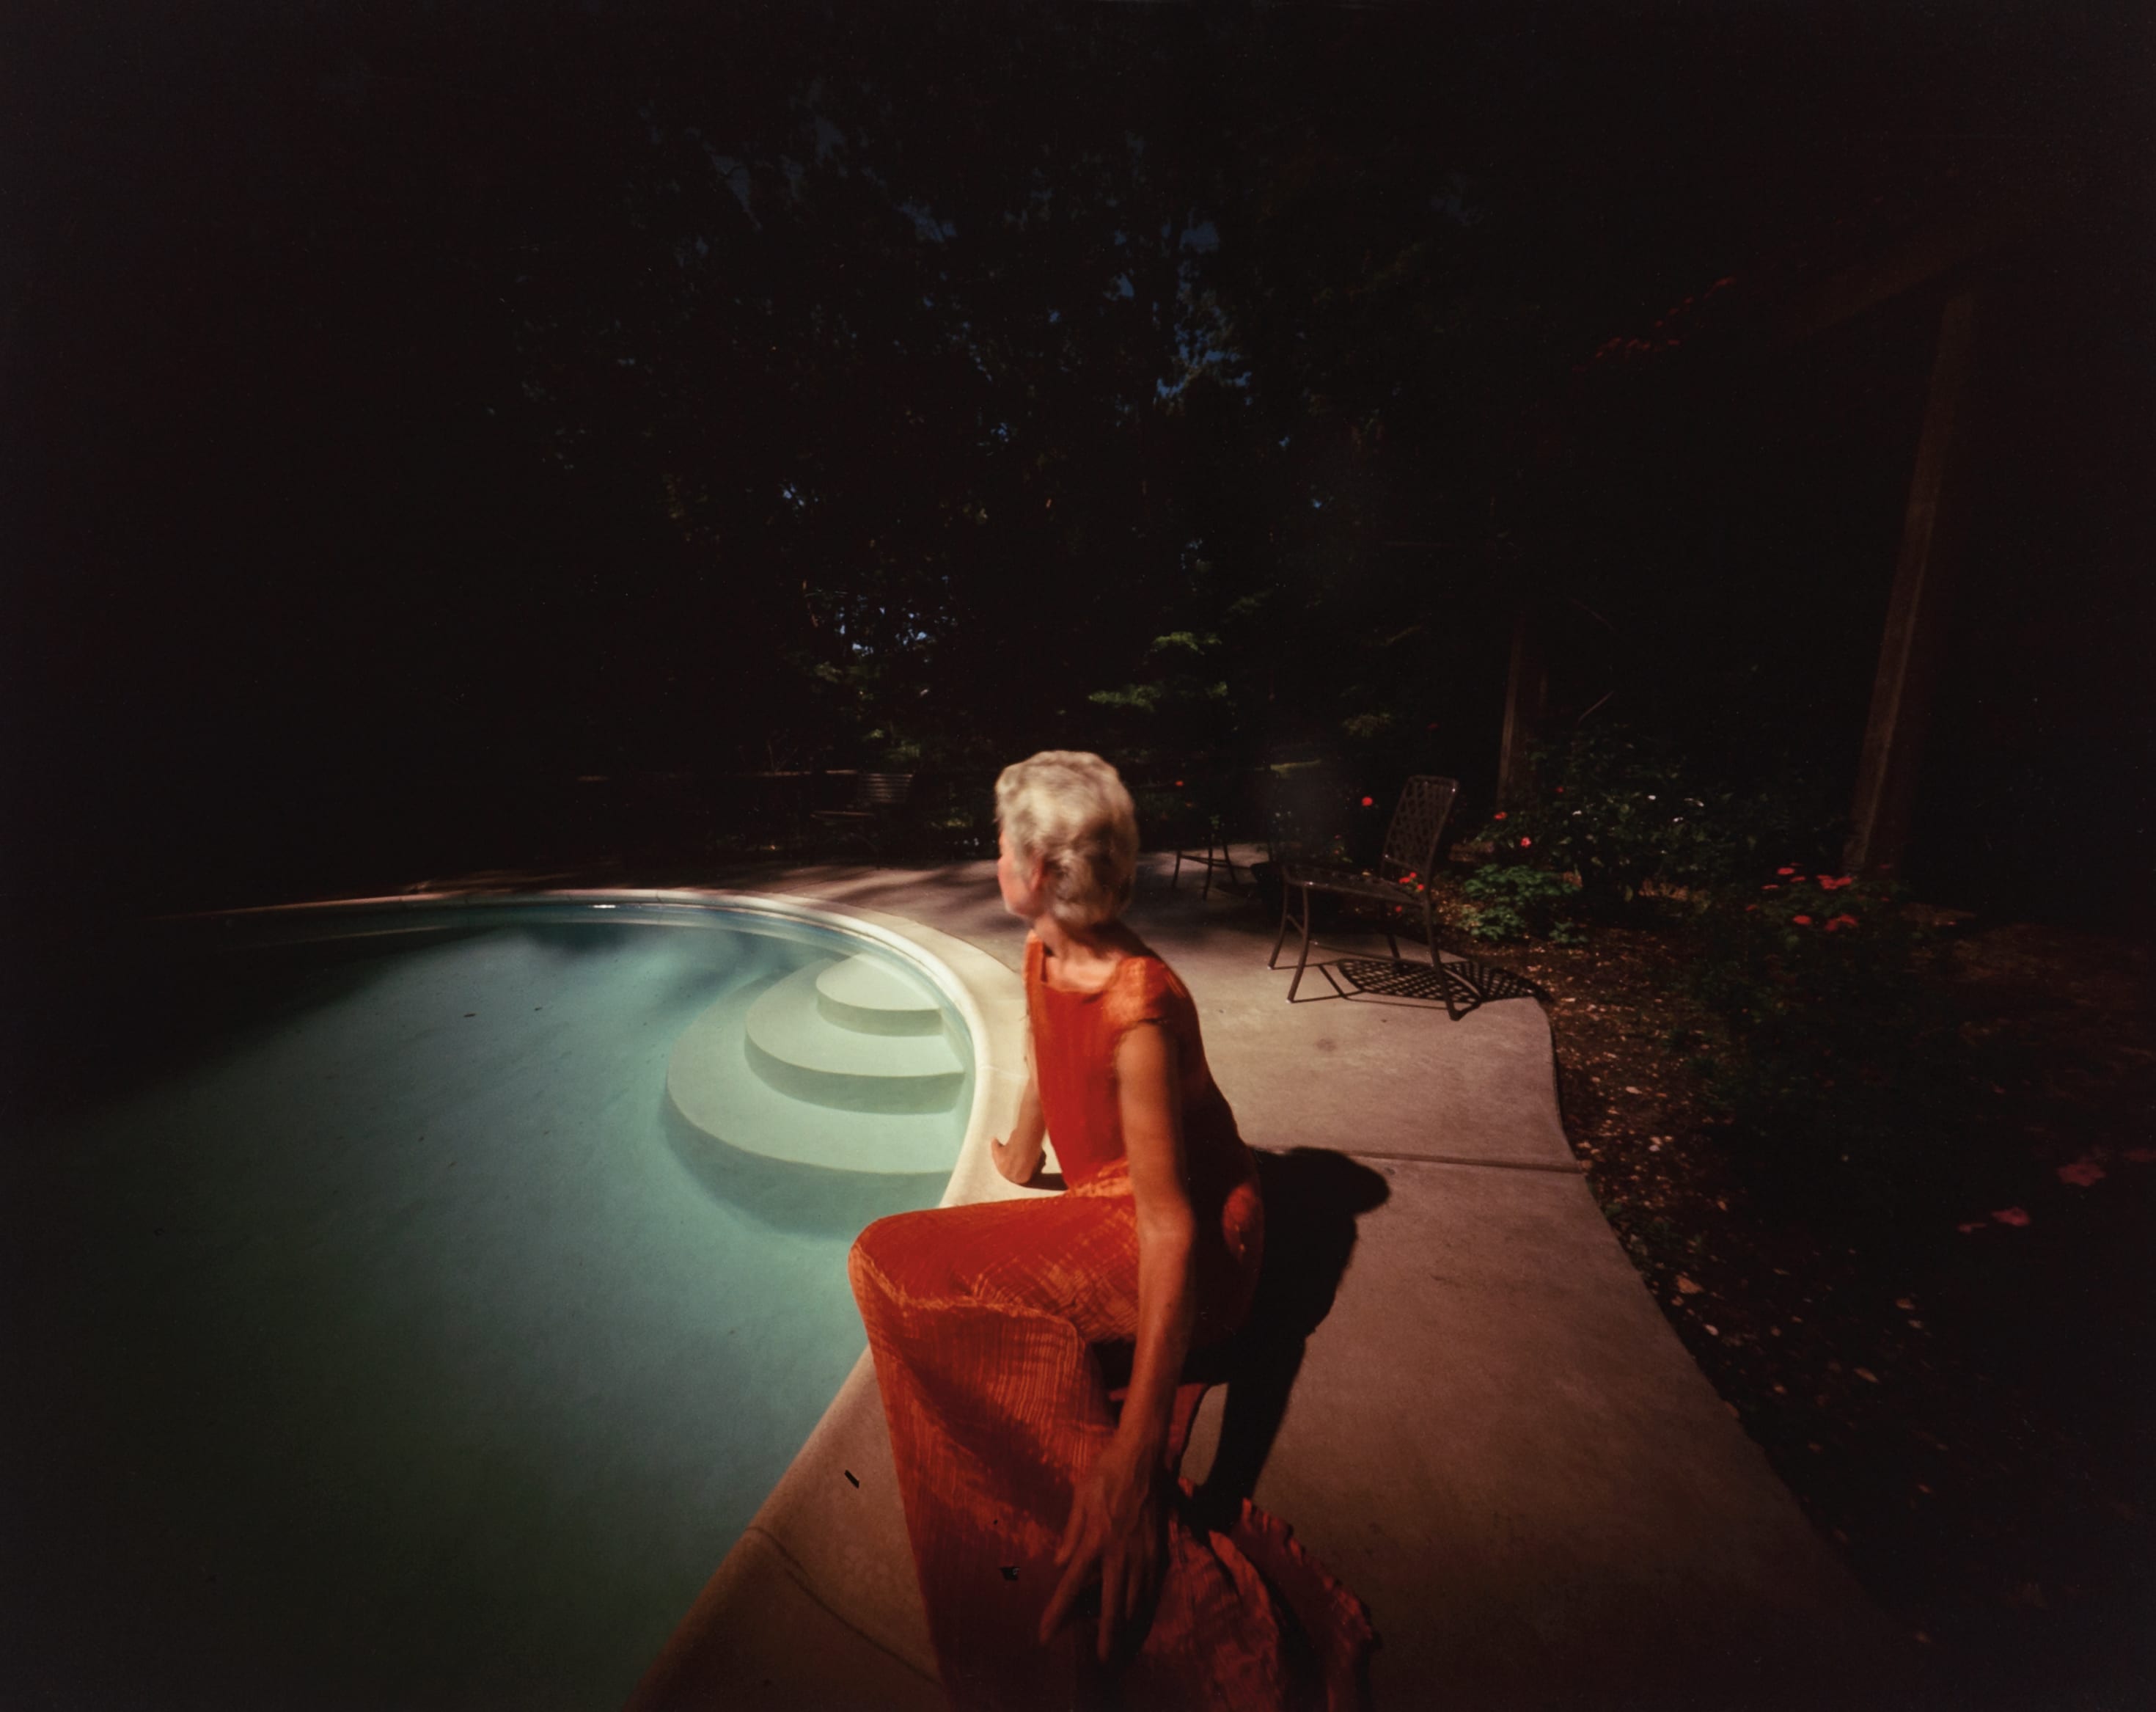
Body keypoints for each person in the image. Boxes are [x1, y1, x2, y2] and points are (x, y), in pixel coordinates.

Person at [849, 751, 1374, 1711]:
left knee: (885, 1260)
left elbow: (1170, 1227)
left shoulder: (1141, 1003)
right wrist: (1015, 1154)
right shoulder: (1042, 948)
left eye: (1004, 842)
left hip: (1195, 1246)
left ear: (1043, 870)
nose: (991, 853)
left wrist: (1134, 1462)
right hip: (1112, 1203)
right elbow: (1038, 1077)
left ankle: (1151, 1561)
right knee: (927, 1286)